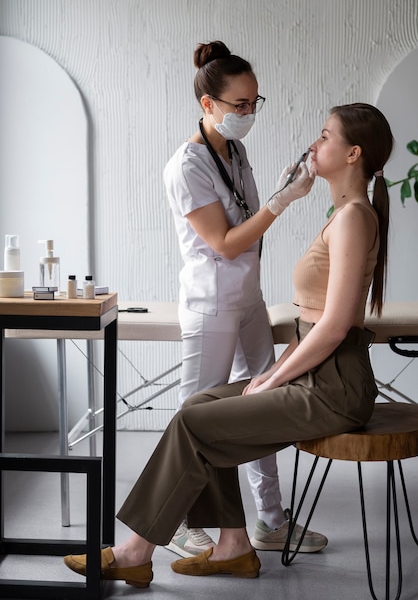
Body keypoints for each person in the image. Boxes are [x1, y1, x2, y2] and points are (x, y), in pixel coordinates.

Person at [64, 102, 393, 587]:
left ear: (353, 154)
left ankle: (135, 552)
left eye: (324, 136)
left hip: (333, 388)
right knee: (199, 406)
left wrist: (273, 377)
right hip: (316, 376)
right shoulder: (341, 213)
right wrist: (274, 373)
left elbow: (337, 325)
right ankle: (233, 544)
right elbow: (316, 323)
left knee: (198, 421)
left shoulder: (353, 218)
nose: (313, 144)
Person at [163, 40, 323, 558]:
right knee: (200, 415)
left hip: (248, 298)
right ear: (208, 104)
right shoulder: (186, 166)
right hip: (211, 304)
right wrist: (282, 201)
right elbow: (226, 242)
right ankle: (189, 522)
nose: (249, 112)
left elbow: (245, 226)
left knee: (264, 405)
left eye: (255, 102)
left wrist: (277, 190)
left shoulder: (236, 150)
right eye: (240, 104)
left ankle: (271, 521)